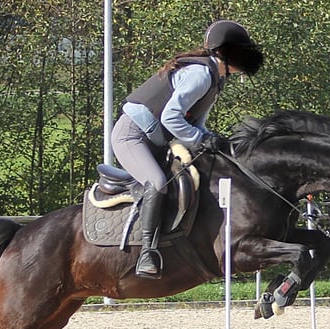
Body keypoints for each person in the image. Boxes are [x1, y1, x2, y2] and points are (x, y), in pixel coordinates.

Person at [111, 20, 264, 279]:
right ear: (224, 53)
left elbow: (195, 121)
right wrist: (199, 138)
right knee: (158, 182)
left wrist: (210, 140)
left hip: (155, 139)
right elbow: (171, 117)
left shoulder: (215, 79)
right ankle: (148, 253)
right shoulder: (201, 75)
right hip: (132, 136)